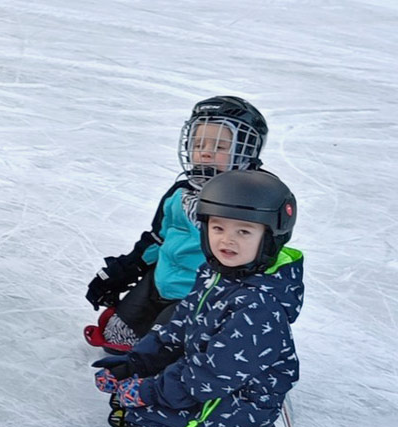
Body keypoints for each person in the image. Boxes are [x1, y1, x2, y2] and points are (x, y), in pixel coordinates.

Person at [94, 170, 305, 427]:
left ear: (270, 238)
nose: (227, 240)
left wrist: (149, 392)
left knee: (137, 420)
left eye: (244, 232)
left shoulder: (258, 304)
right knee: (128, 401)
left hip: (244, 396)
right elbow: (177, 328)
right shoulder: (216, 273)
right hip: (217, 372)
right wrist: (134, 364)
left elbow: (210, 375)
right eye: (217, 227)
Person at [85, 96, 269, 351]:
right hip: (159, 282)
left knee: (159, 355)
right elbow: (158, 239)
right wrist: (122, 270)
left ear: (247, 150)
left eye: (219, 146)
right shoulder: (180, 192)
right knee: (115, 339)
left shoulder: (252, 199)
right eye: (198, 143)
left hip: (199, 297)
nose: (204, 151)